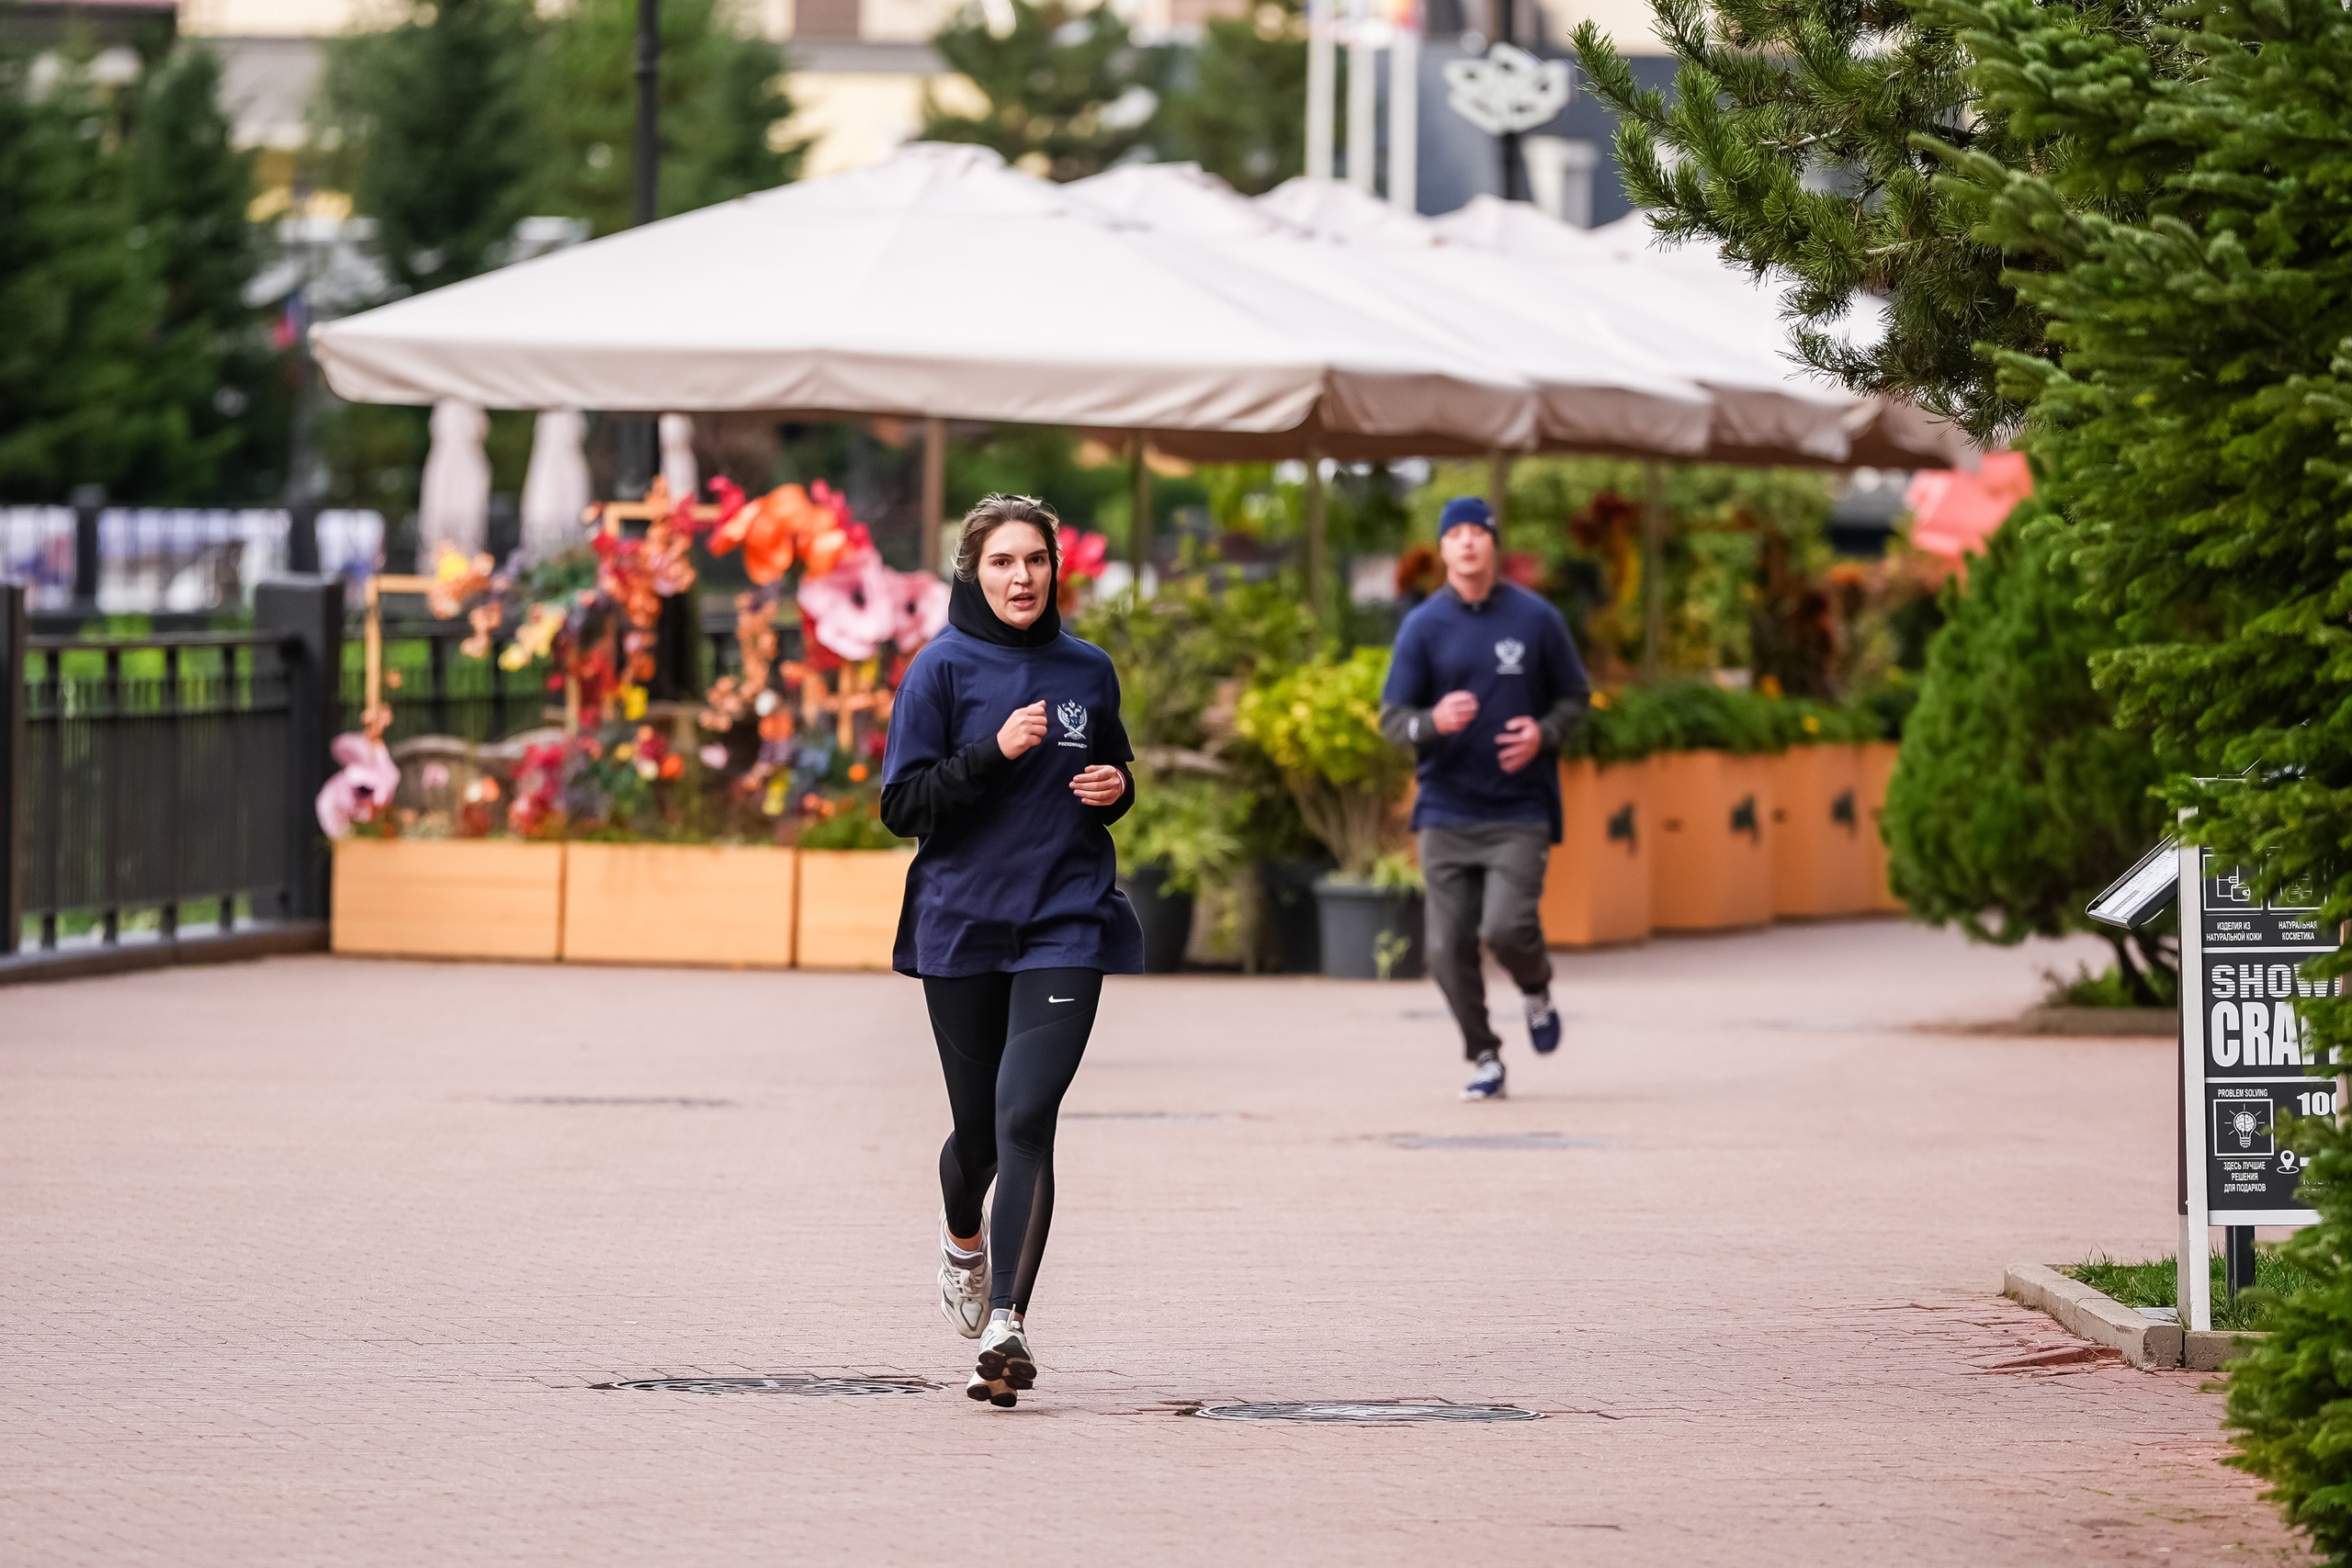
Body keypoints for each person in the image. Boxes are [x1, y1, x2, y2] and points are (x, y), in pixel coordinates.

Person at [879, 493, 1143, 1409]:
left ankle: (1009, 1324)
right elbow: (902, 806)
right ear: (971, 571)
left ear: (1054, 569)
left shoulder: (1088, 670)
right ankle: (963, 1240)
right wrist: (991, 752)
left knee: (1028, 1115)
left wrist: (1115, 791)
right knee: (981, 1136)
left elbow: (1111, 772)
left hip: (1065, 919)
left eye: (1034, 560)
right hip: (961, 925)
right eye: (1002, 562)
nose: (1021, 577)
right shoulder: (939, 671)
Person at [1380, 496, 1590, 1101]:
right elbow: (1394, 719)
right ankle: (1485, 1055)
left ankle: (1536, 987)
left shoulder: (1537, 619)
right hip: (1445, 809)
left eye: (1479, 532)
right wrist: (1434, 721)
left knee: (1506, 926)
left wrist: (1542, 734)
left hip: (1518, 809)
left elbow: (1575, 698)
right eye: (1457, 533)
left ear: (1493, 544)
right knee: (1446, 948)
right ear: (1442, 548)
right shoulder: (1423, 625)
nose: (1468, 542)